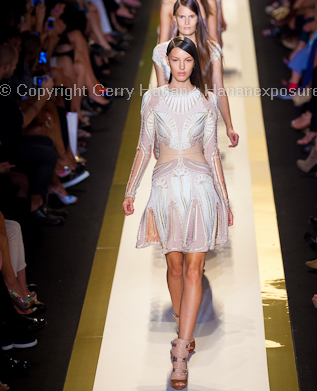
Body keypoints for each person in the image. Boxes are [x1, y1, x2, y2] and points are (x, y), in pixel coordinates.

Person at [122, 37, 233, 390]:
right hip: (166, 191)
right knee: (174, 266)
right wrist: (129, 190)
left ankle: (181, 353)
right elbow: (143, 146)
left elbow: (213, 153)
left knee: (194, 268)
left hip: (201, 191)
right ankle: (181, 321)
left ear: (194, 63)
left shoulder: (208, 100)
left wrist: (226, 201)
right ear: (166, 61)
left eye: (187, 60)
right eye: (175, 59)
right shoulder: (152, 98)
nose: (181, 66)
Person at [153, 0, 238, 147]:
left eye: (191, 16)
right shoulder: (161, 51)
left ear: (198, 18)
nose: (186, 22)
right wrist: (157, 136)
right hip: (172, 123)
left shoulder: (211, 49)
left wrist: (229, 126)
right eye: (182, 16)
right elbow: (161, 95)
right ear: (175, 19)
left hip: (203, 121)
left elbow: (219, 88)